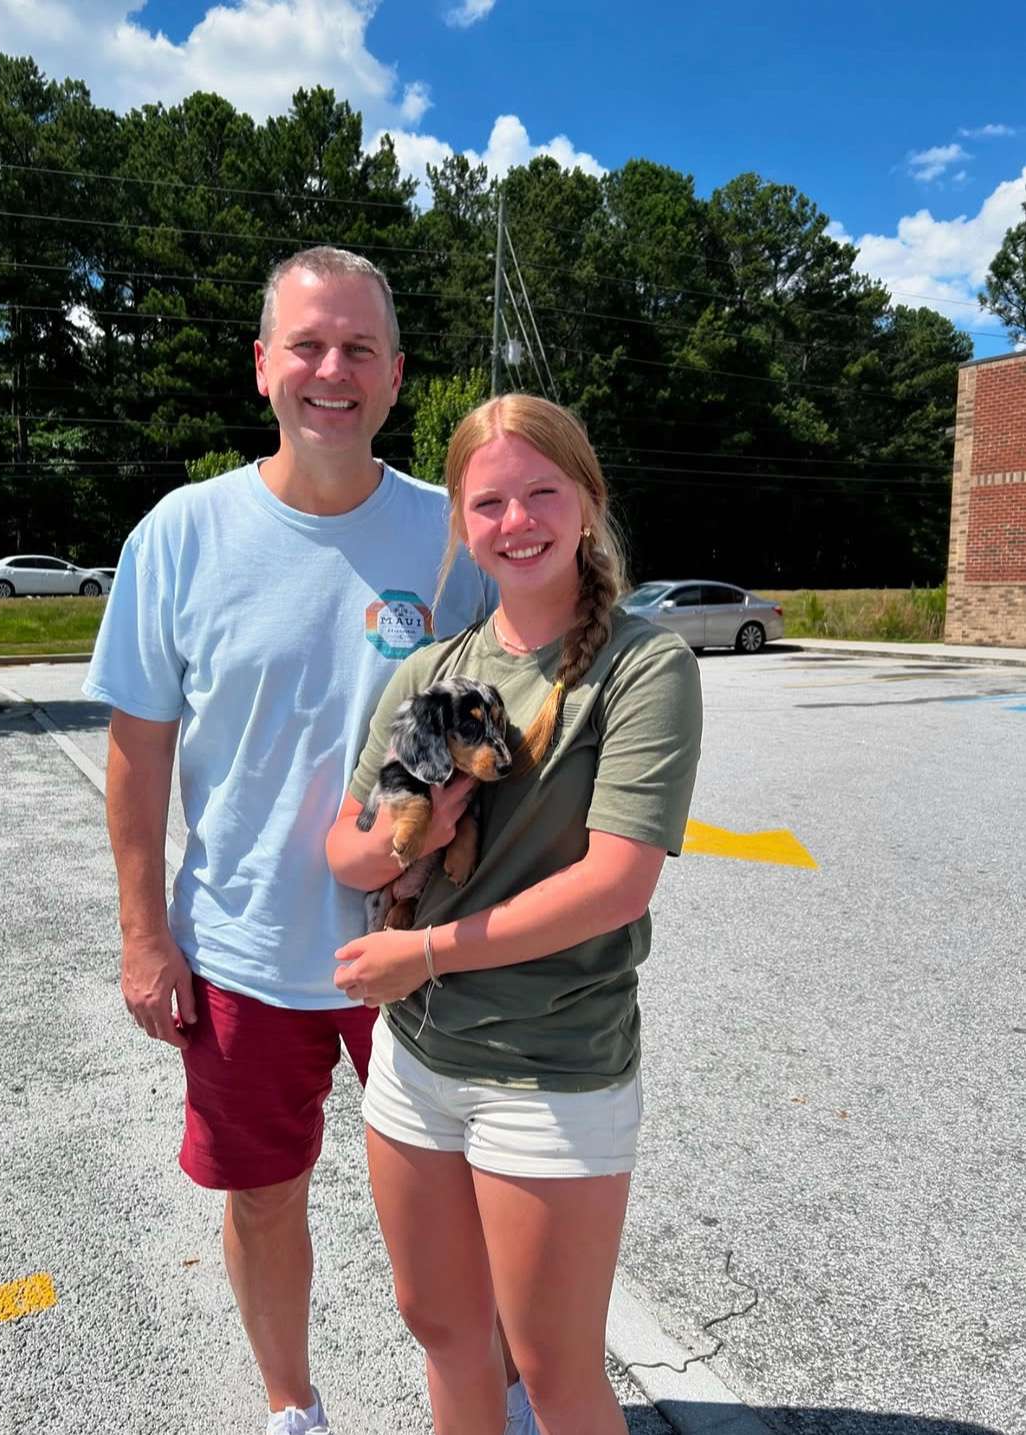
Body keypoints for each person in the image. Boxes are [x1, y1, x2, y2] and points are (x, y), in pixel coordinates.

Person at [82, 246, 495, 1435]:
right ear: (263, 365)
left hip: (419, 952)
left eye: (360, 347)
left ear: (398, 374)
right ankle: (291, 1405)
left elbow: (510, 721)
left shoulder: (450, 539)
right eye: (308, 345)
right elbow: (138, 751)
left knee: (459, 1203)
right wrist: (143, 934)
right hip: (246, 952)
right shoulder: (182, 534)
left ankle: (492, 1397)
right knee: (266, 1198)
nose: (333, 369)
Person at [325, 394, 703, 1435]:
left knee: (551, 1365)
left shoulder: (644, 665)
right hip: (416, 1060)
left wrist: (424, 951)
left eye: (543, 492)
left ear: (588, 501)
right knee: (443, 1328)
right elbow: (346, 845)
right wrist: (421, 814)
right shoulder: (432, 672)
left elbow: (616, 883)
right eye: (489, 501)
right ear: (460, 522)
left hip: (551, 1064)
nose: (518, 520)